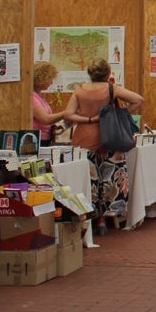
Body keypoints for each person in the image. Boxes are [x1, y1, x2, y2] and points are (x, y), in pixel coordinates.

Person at [62, 57, 143, 235]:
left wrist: (89, 119)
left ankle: (87, 216)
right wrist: (119, 113)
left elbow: (69, 114)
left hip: (83, 138)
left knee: (89, 179)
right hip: (109, 137)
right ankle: (102, 220)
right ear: (108, 74)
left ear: (90, 74)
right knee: (108, 179)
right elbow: (138, 99)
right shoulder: (111, 89)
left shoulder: (79, 90)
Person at [31, 61, 66, 146]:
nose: (51, 83)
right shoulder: (32, 97)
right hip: (38, 141)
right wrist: (66, 113)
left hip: (45, 138)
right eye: (50, 79)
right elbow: (45, 119)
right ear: (42, 78)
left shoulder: (39, 96)